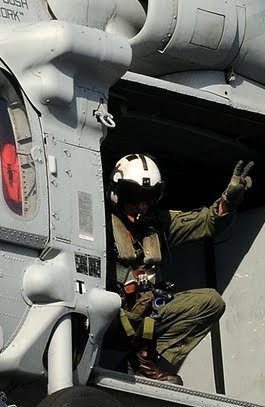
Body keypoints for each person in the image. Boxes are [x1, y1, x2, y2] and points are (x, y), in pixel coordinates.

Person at [109, 154, 254, 385]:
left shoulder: (158, 225)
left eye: (149, 197)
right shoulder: (99, 225)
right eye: (136, 196)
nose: (142, 205)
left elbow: (206, 222)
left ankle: (140, 362)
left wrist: (228, 201)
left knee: (210, 302)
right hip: (106, 319)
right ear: (118, 192)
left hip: (144, 318)